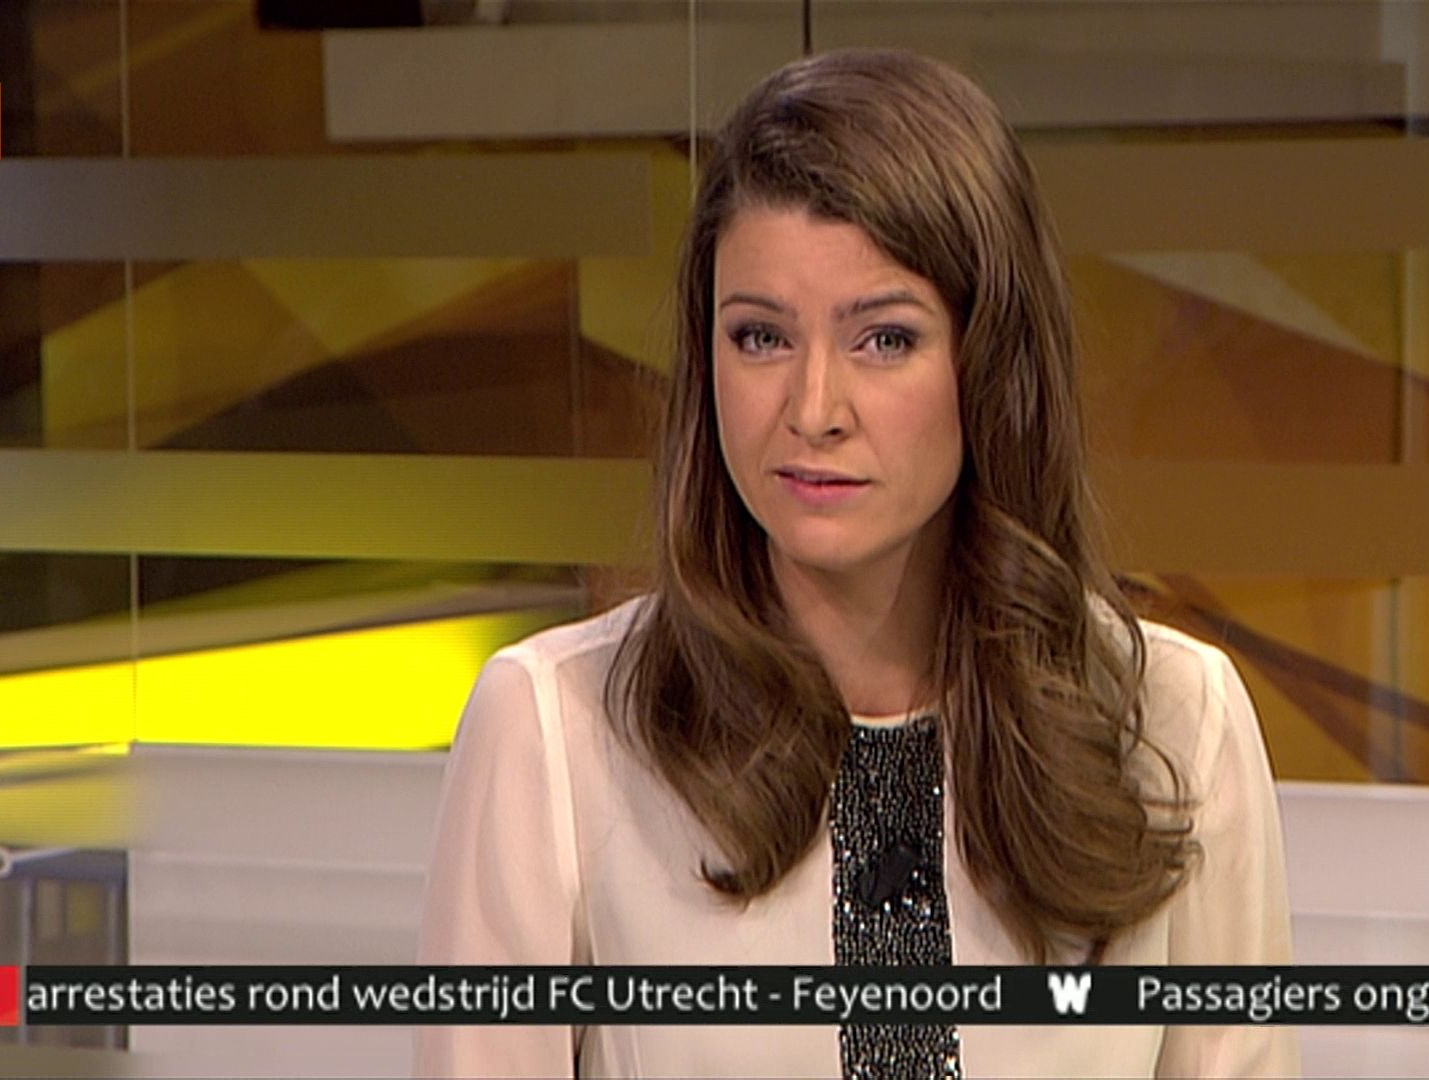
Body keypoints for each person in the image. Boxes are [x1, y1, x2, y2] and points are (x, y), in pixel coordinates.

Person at [413, 48, 1299, 1079]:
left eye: (883, 340)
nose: (813, 409)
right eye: (760, 337)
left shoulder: (1176, 725)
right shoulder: (555, 732)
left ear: (988, 363)